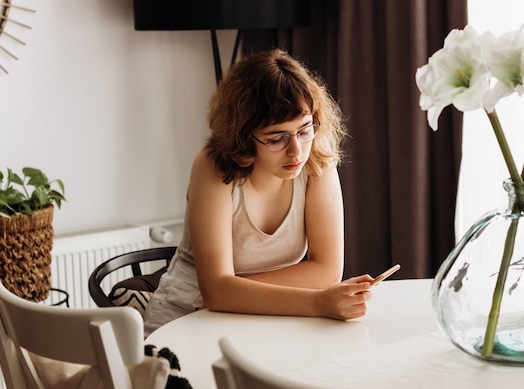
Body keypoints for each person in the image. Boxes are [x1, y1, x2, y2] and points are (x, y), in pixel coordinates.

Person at [144, 49, 374, 336]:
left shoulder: (315, 159)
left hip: (273, 317)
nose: (296, 150)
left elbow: (327, 272)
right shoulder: (215, 166)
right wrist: (316, 302)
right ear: (242, 135)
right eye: (276, 139)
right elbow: (215, 292)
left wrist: (237, 289)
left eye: (304, 130)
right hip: (188, 318)